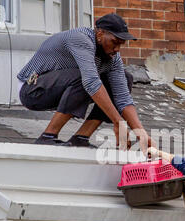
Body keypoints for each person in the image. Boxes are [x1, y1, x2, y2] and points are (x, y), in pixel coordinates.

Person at [17, 13, 153, 151]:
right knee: (87, 78)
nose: (117, 49)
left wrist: (140, 132)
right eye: (114, 42)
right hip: (32, 90)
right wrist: (118, 121)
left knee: (126, 77)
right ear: (100, 34)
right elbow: (91, 83)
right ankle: (48, 136)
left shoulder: (113, 57)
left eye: (121, 44)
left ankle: (81, 138)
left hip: (59, 88)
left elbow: (123, 98)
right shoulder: (80, 39)